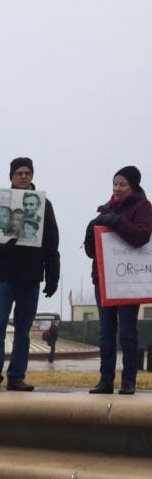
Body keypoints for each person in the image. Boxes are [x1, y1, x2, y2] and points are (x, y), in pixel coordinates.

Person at [0, 158, 60, 392]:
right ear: (11, 177)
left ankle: (16, 376)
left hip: (31, 277)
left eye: (27, 172)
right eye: (19, 173)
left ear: (32, 175)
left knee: (23, 331)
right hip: (3, 277)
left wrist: (53, 273)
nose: (24, 176)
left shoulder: (44, 205)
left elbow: (51, 242)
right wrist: (5, 245)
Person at [84, 165, 152, 395]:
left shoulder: (143, 207)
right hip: (103, 280)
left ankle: (128, 380)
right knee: (106, 331)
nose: (117, 188)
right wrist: (89, 233)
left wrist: (116, 222)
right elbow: (92, 252)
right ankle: (105, 380)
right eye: (114, 184)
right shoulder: (104, 209)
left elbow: (142, 237)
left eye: (122, 184)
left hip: (128, 280)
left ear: (133, 186)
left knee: (127, 331)